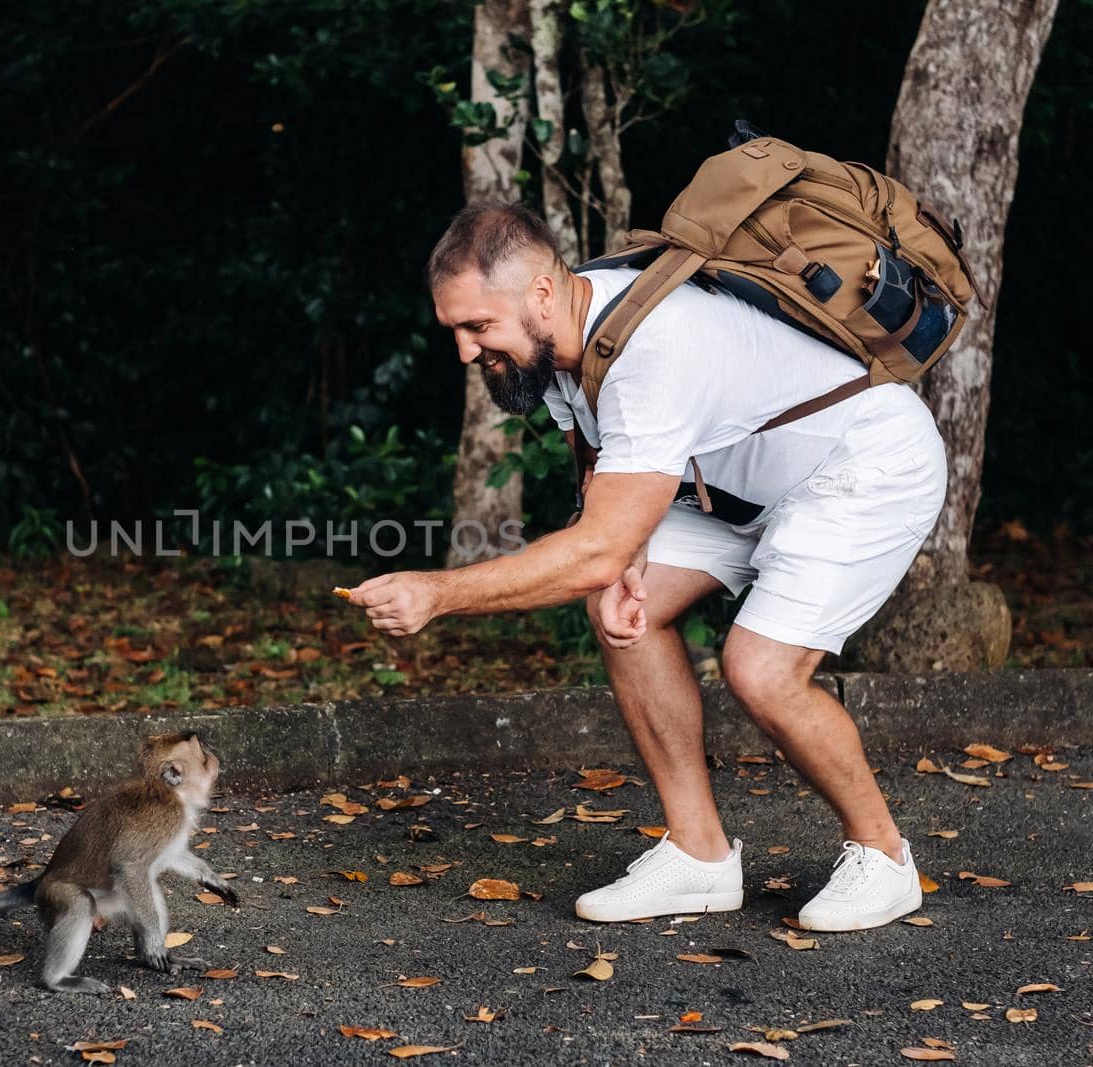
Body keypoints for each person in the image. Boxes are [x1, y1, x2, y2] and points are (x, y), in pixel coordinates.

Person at [347, 202, 945, 932]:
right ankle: (699, 856)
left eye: (478, 328)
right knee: (619, 610)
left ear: (541, 292)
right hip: (731, 484)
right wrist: (622, 557)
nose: (467, 353)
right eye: (457, 332)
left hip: (863, 462)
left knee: (758, 668)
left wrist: (438, 592)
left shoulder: (651, 349)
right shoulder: (561, 340)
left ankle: (883, 857)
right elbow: (603, 482)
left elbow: (592, 545)